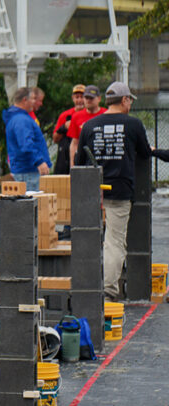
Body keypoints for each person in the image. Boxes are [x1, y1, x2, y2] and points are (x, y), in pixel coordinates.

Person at [76, 82, 169, 300]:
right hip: (120, 190)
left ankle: (86, 286)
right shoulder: (133, 125)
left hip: (91, 191)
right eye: (130, 100)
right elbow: (145, 152)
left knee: (88, 238)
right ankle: (108, 290)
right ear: (125, 100)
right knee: (115, 242)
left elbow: (79, 160)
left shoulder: (89, 126)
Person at [2, 87, 50, 191]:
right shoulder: (21, 120)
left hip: (26, 171)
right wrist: (39, 161)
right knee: (32, 204)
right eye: (33, 98)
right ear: (25, 100)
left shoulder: (18, 118)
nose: (35, 102)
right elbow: (26, 144)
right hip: (28, 172)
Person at [68, 85, 105, 168]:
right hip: (85, 160)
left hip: (102, 158)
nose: (88, 101)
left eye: (91, 98)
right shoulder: (77, 116)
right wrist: (72, 165)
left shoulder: (105, 114)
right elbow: (74, 143)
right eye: (86, 98)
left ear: (99, 99)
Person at [52, 84, 86, 174]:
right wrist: (63, 127)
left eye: (82, 97)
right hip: (66, 155)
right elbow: (55, 139)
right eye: (77, 97)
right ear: (73, 98)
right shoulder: (65, 115)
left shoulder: (90, 114)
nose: (79, 100)